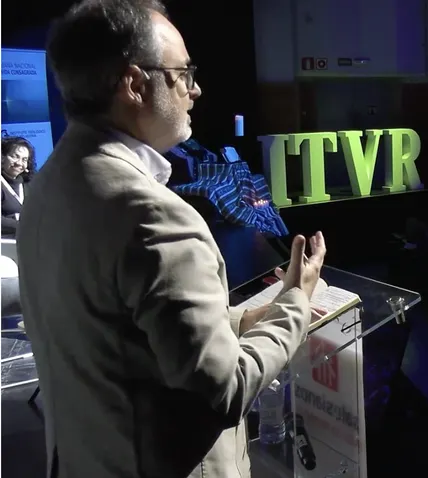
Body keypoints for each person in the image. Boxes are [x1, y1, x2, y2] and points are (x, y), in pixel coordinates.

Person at [16, 1, 324, 477]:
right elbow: (226, 390)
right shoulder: (154, 217)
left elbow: (118, 334)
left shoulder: (48, 184)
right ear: (135, 84)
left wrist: (237, 321)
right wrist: (295, 301)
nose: (195, 90)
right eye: (183, 74)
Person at [1, 136, 34, 237]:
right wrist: (24, 226)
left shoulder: (29, 185)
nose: (19, 163)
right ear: (2, 157)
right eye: (15, 157)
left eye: (24, 160)